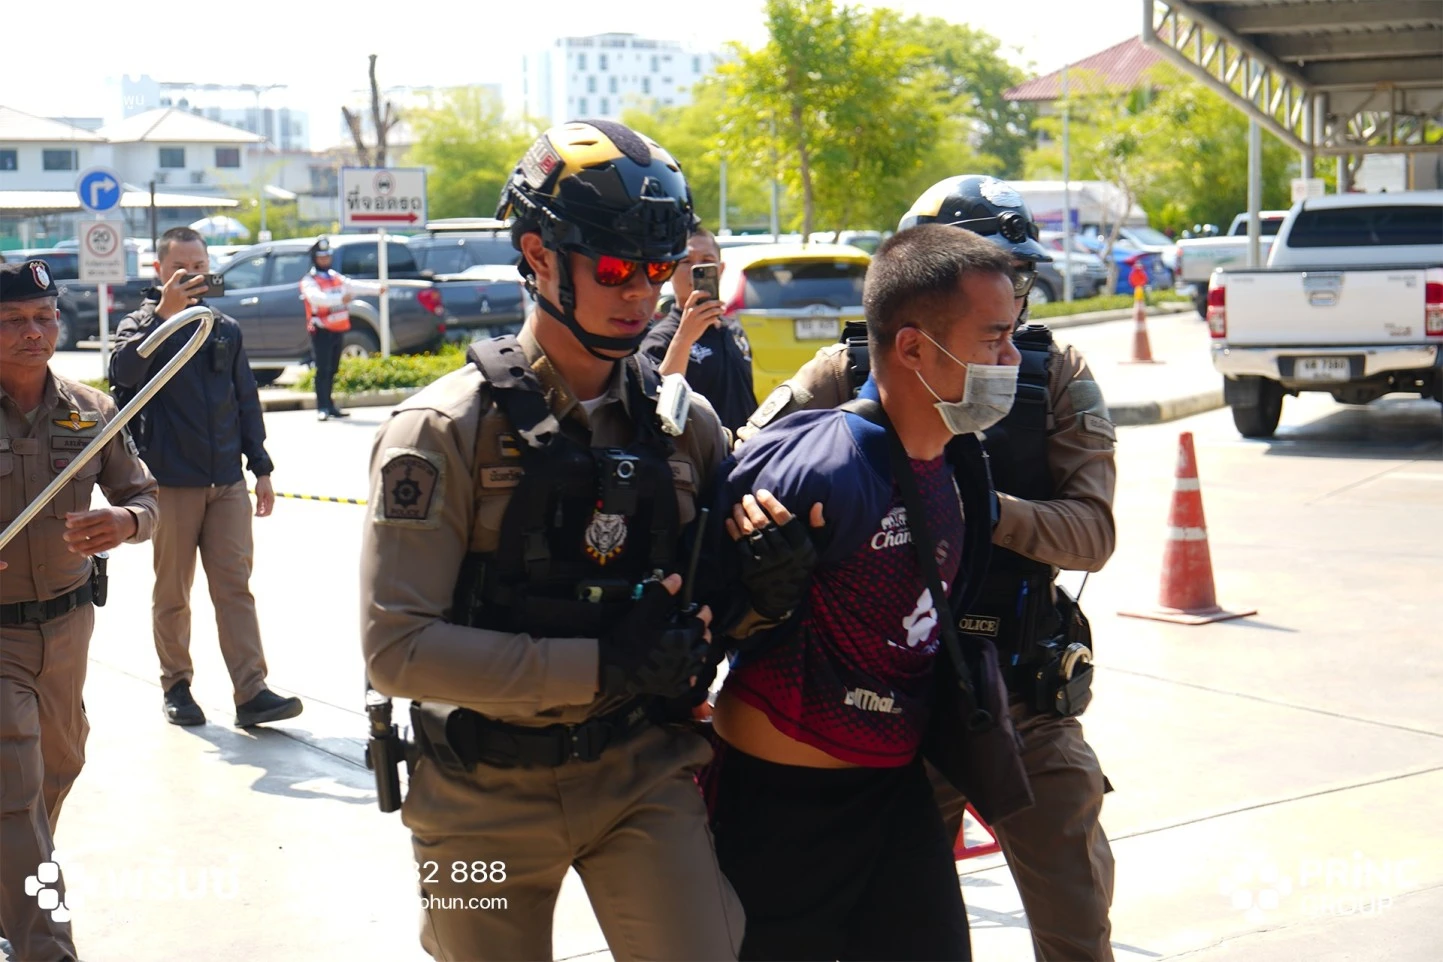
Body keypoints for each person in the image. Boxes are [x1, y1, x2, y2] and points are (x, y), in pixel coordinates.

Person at [360, 120, 744, 962]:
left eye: (657, 269)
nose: (640, 293)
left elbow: (715, 593)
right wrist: (601, 665)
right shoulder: (440, 431)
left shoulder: (687, 427)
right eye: (612, 268)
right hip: (476, 797)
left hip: (639, 770)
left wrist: (762, 583)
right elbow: (397, 651)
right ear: (537, 255)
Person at [740, 174, 1119, 961]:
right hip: (894, 694)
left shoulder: (1053, 373)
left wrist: (969, 501)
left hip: (1015, 683)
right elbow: (751, 463)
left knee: (1075, 912)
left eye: (1014, 277)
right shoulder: (851, 367)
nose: (1003, 299)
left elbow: (1091, 534)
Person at [706, 225, 1022, 961]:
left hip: (896, 791)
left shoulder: (961, 463)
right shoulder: (816, 469)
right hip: (780, 807)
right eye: (993, 340)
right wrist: (757, 596)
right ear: (912, 347)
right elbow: (699, 623)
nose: (1011, 360)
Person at [1, 259, 159, 961]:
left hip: (69, 628)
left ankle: (8, 890)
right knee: (16, 788)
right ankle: (44, 945)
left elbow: (144, 495)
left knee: (59, 766)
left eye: (44, 317)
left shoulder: (90, 411)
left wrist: (126, 521)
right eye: (13, 320)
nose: (33, 332)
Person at [110, 227, 303, 730]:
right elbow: (122, 374)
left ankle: (251, 691)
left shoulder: (224, 328)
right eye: (182, 268)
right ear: (160, 270)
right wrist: (164, 316)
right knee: (173, 591)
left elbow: (245, 399)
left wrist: (260, 466)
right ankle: (176, 685)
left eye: (200, 266)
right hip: (171, 483)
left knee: (235, 588)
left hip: (227, 483)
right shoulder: (140, 325)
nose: (194, 275)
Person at [639, 224, 757, 433]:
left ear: (720, 269)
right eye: (686, 261)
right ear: (670, 270)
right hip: (698, 451)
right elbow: (654, 406)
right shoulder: (661, 339)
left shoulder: (734, 331)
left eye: (706, 261)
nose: (696, 269)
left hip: (742, 449)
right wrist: (684, 339)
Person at [299, 237, 386, 421]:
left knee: (333, 369)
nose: (325, 260)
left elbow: (353, 285)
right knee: (322, 369)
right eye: (321, 257)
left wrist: (377, 289)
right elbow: (317, 299)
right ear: (315, 258)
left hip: (337, 329)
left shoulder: (335, 277)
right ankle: (322, 407)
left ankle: (330, 405)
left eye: (327, 256)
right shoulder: (310, 280)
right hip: (321, 330)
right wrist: (340, 299)